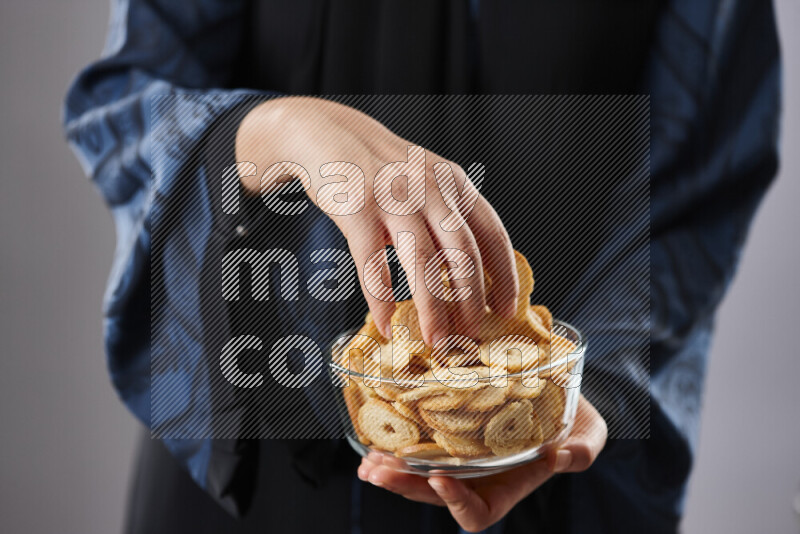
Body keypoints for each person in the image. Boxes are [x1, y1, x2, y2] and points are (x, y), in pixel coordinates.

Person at [63, 1, 781, 533]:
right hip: (250, 469)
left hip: (538, 473)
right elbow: (123, 107)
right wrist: (274, 132)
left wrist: (592, 380)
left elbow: (696, 180)